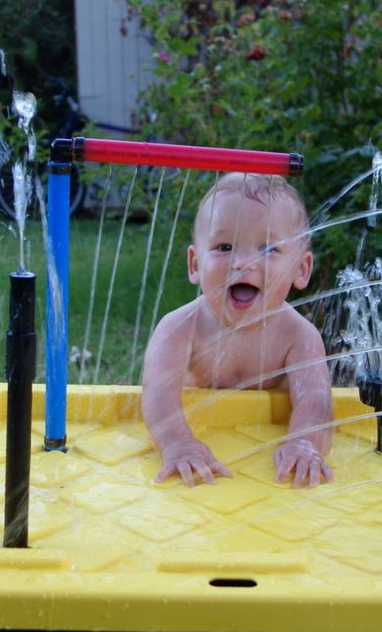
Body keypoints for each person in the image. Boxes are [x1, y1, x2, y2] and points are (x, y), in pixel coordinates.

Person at [141, 172, 333, 488]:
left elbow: (316, 401)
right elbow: (157, 394)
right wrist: (176, 442)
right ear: (195, 264)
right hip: (203, 462)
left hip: (265, 472)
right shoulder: (178, 329)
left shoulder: (299, 336)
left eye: (269, 248)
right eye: (224, 246)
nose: (243, 263)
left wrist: (305, 442)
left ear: (301, 269)